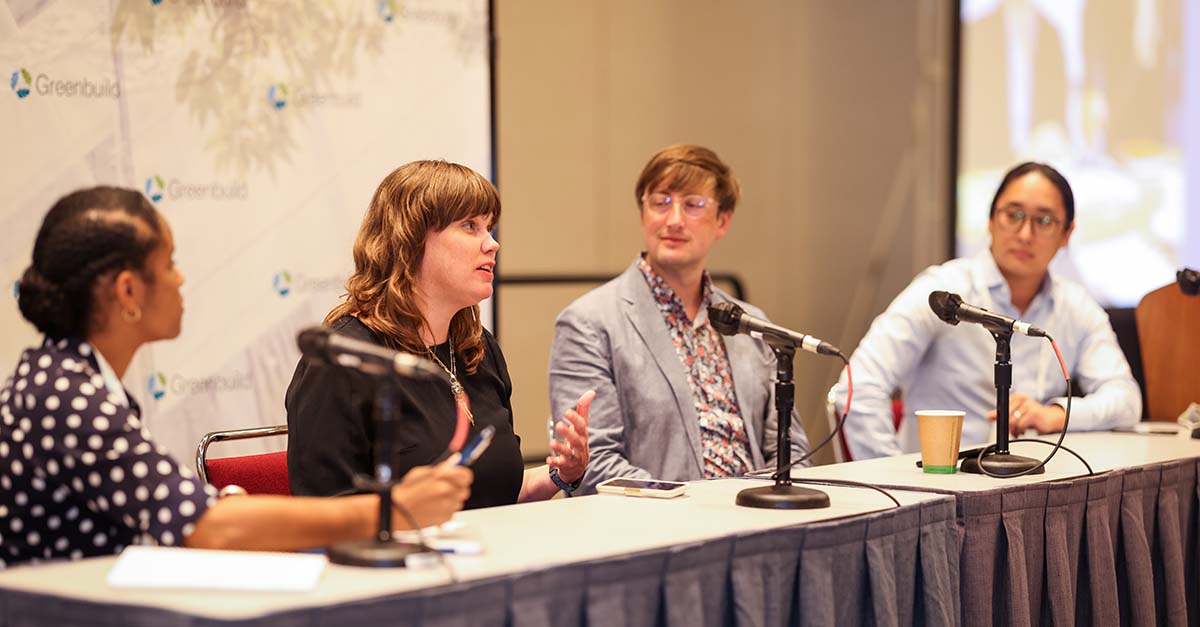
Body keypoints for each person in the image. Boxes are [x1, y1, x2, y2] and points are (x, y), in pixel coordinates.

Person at [0, 186, 471, 568]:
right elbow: (203, 526)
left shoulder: (65, 379)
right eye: (168, 265)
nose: (180, 280)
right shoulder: (63, 395)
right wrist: (392, 511)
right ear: (128, 291)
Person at [286, 160, 593, 508]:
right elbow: (323, 515)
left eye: (489, 228)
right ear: (412, 239)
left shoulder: (477, 349)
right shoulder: (343, 362)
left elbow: (496, 495)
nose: (492, 244)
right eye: (470, 226)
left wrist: (562, 474)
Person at [548, 144, 810, 495]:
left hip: (756, 522)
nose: (674, 220)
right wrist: (695, 506)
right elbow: (592, 463)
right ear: (643, 213)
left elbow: (789, 453)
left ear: (723, 221)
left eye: (693, 204)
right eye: (660, 202)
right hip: (658, 529)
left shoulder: (751, 324)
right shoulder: (589, 323)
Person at [833, 162, 1142, 460]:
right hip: (944, 494)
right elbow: (857, 387)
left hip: (1037, 492)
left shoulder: (1075, 306)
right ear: (991, 220)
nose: (1025, 234)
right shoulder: (943, 292)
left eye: (1044, 221)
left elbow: (1126, 399)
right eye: (1013, 215)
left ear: (1067, 234)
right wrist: (898, 485)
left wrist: (1056, 415)